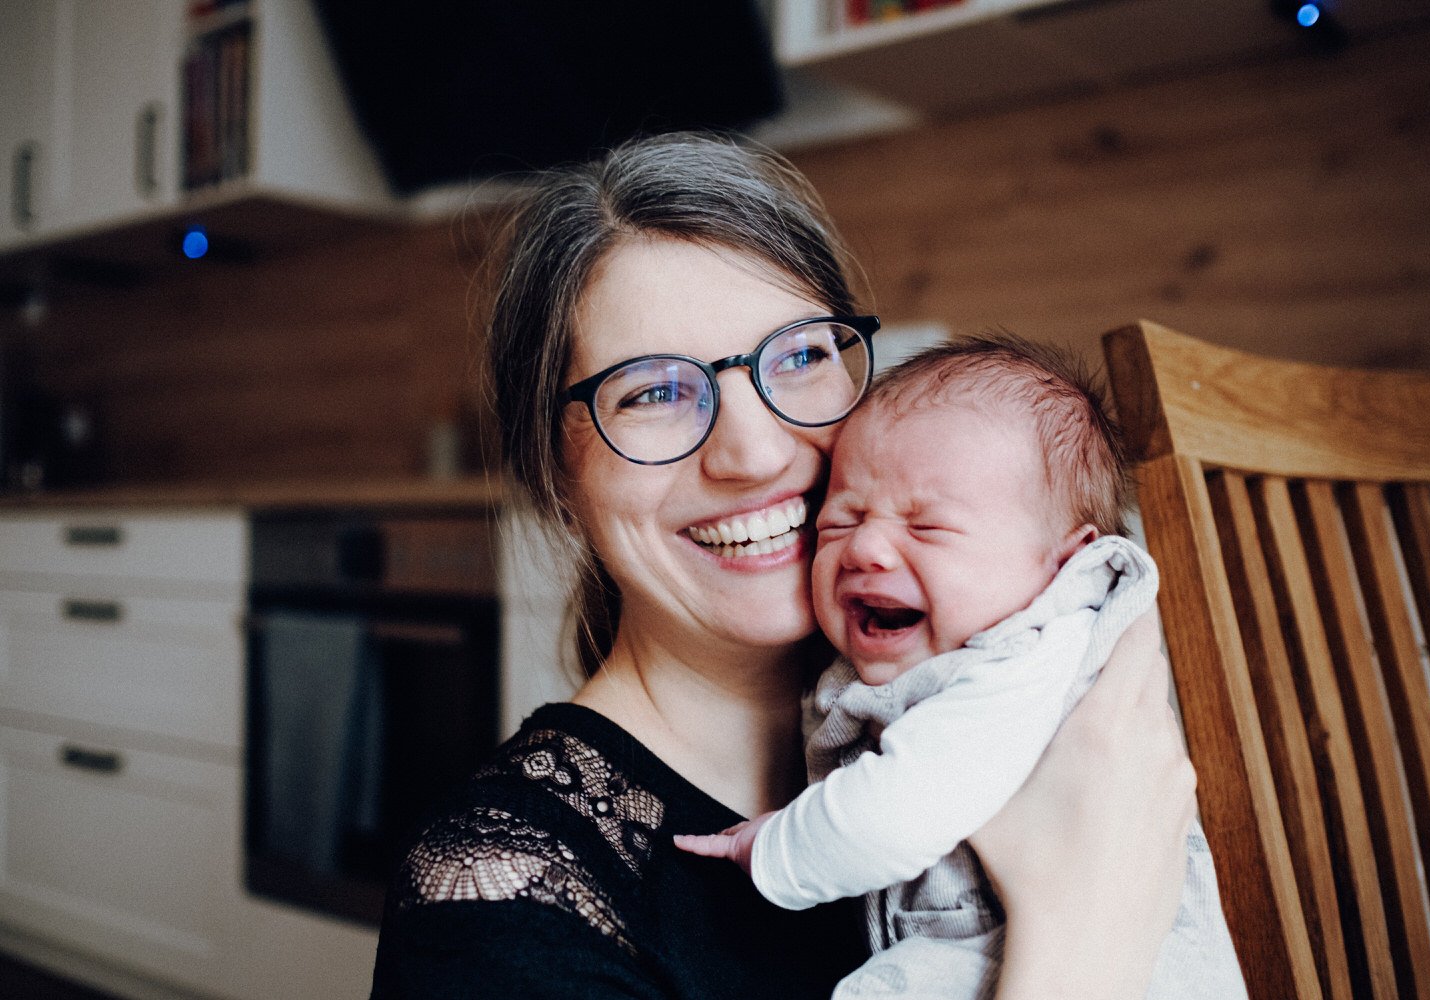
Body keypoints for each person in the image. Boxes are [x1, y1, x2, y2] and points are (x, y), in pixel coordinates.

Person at [369, 132, 1197, 1000]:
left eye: (800, 356)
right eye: (654, 392)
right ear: (555, 473)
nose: (754, 452)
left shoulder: (1068, 675)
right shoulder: (496, 900)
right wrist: (1082, 927)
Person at [676, 334, 1247, 1000]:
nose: (865, 548)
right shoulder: (961, 637)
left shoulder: (1024, 658)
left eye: (928, 528)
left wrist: (774, 850)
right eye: (839, 520)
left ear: (1062, 564)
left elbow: (902, 813)